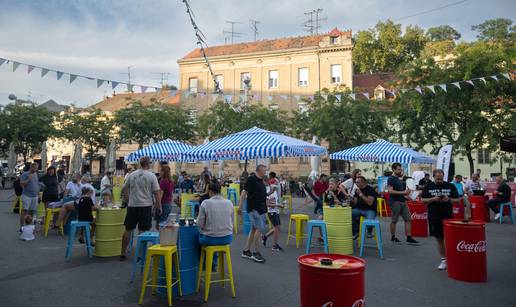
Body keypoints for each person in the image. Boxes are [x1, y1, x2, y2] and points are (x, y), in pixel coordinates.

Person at [120, 156, 161, 261]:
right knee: (143, 230)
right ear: (148, 164)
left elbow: (124, 188)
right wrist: (158, 206)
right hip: (145, 205)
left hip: (132, 205)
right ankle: (140, 254)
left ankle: (123, 253)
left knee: (128, 229)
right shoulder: (151, 176)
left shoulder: (131, 175)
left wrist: (128, 200)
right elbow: (157, 193)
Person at [421, 169, 460, 270]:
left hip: (448, 216)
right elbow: (422, 200)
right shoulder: (428, 186)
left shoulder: (450, 186)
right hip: (434, 216)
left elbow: (458, 201)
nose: (439, 180)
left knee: (450, 238)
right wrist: (432, 199)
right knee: (439, 238)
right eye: (437, 178)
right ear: (433, 177)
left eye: (441, 178)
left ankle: (453, 258)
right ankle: (444, 260)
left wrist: (449, 199)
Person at [197, 179, 234, 268]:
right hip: (227, 238)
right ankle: (213, 263)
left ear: (209, 191)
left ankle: (204, 265)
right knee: (215, 235)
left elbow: (200, 224)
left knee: (197, 237)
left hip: (210, 239)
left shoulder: (205, 203)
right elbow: (231, 222)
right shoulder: (229, 203)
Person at [240, 165, 268, 263]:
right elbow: (244, 192)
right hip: (254, 209)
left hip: (260, 209)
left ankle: (246, 250)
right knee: (259, 229)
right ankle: (256, 253)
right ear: (259, 170)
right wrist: (240, 206)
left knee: (253, 229)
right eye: (265, 170)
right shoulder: (251, 179)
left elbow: (260, 194)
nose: (266, 172)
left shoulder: (261, 181)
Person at [387, 163, 419, 245]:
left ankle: (409, 237)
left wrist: (407, 195)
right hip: (395, 202)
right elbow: (390, 191)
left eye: (400, 169)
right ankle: (393, 237)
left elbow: (401, 192)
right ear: (393, 170)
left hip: (402, 201)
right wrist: (403, 192)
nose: (400, 171)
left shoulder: (398, 179)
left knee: (408, 219)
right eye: (398, 169)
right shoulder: (391, 178)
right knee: (394, 220)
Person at [262, 177, 284, 251]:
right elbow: (267, 204)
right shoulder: (268, 191)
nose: (278, 184)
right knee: (277, 227)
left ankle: (265, 236)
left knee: (277, 228)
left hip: (275, 211)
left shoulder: (274, 191)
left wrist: (279, 204)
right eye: (276, 183)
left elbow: (275, 201)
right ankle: (274, 246)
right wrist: (278, 205)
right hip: (271, 212)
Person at [19, 162, 40, 231]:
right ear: (31, 167)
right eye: (35, 168)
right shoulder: (25, 174)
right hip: (27, 195)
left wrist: (38, 193)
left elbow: (36, 184)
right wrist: (28, 179)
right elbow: (21, 184)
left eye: (37, 168)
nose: (36, 169)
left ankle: (29, 228)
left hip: (35, 196)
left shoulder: (35, 174)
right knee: (25, 211)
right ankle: (22, 227)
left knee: (32, 211)